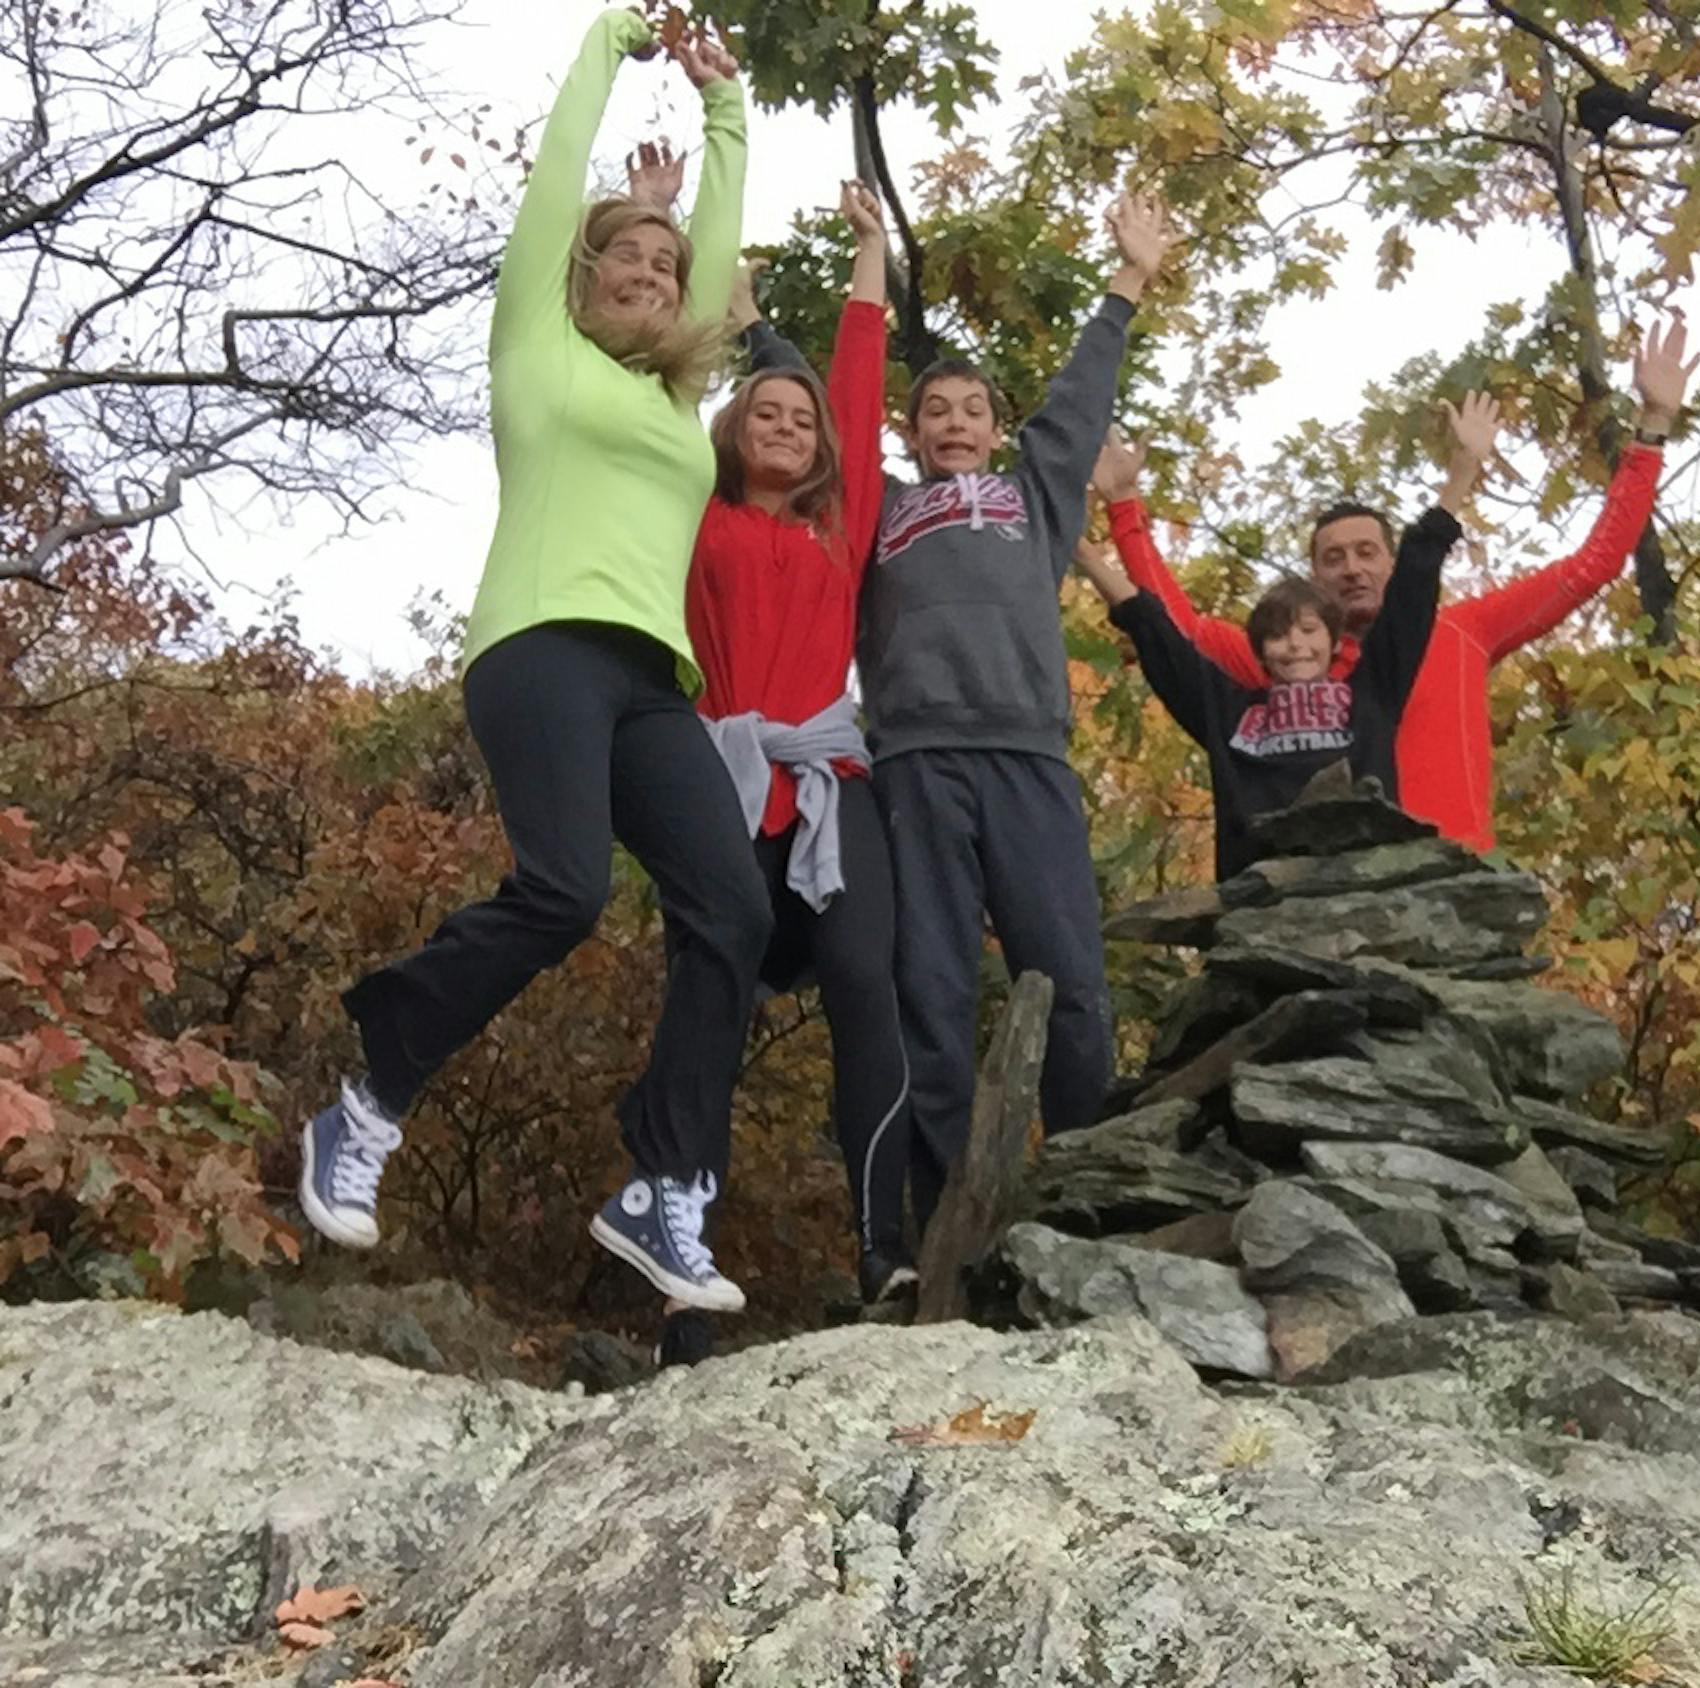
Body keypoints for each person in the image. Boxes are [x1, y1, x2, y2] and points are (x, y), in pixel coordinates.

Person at [298, 10, 769, 1316]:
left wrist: (726, 102)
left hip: (648, 682)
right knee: (561, 892)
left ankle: (662, 1186)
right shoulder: (536, 345)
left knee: (733, 909)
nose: (652, 272)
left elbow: (718, 235)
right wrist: (616, 45)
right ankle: (370, 1096)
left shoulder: (680, 397)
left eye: (668, 266)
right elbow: (560, 175)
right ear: (583, 272)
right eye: (626, 254)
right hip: (540, 648)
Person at [738, 193, 1175, 1227]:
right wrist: (755, 325)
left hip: (1027, 758)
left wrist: (1129, 280)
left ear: (995, 424)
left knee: (1065, 977)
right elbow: (823, 409)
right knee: (927, 991)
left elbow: (1074, 404)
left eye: (973, 409)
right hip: (914, 764)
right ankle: (936, 1220)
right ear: (913, 430)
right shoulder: (878, 503)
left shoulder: (1036, 498)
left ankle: (1084, 1200)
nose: (956, 424)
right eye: (936, 411)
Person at [1094, 317, 1700, 852]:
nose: (1352, 568)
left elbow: (1590, 566)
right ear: (1314, 580)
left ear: (1393, 562)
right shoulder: (1287, 662)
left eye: (1367, 553)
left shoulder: (1464, 633)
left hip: (1454, 882)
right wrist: (1124, 506)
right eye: (1333, 558)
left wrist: (1653, 424)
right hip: (1339, 892)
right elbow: (1175, 627)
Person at [676, 178, 919, 1312]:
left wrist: (870, 254)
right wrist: (674, 236)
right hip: (719, 781)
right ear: (732, 428)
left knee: (869, 980)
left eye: (801, 419)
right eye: (765, 412)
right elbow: (654, 387)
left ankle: (885, 1247)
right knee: (708, 1004)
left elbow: (860, 390)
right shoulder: (694, 514)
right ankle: (678, 1246)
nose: (787, 426)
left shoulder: (841, 522)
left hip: (829, 778)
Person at [1071, 398, 1494, 880]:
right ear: (1259, 652)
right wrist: (1085, 552)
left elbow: (1415, 580)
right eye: (1277, 635)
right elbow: (1155, 627)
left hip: (1367, 892)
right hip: (1265, 904)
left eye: (1310, 631)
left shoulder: (1372, 695)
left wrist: (1462, 470)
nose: (1295, 645)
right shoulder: (1231, 714)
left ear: (1336, 644)